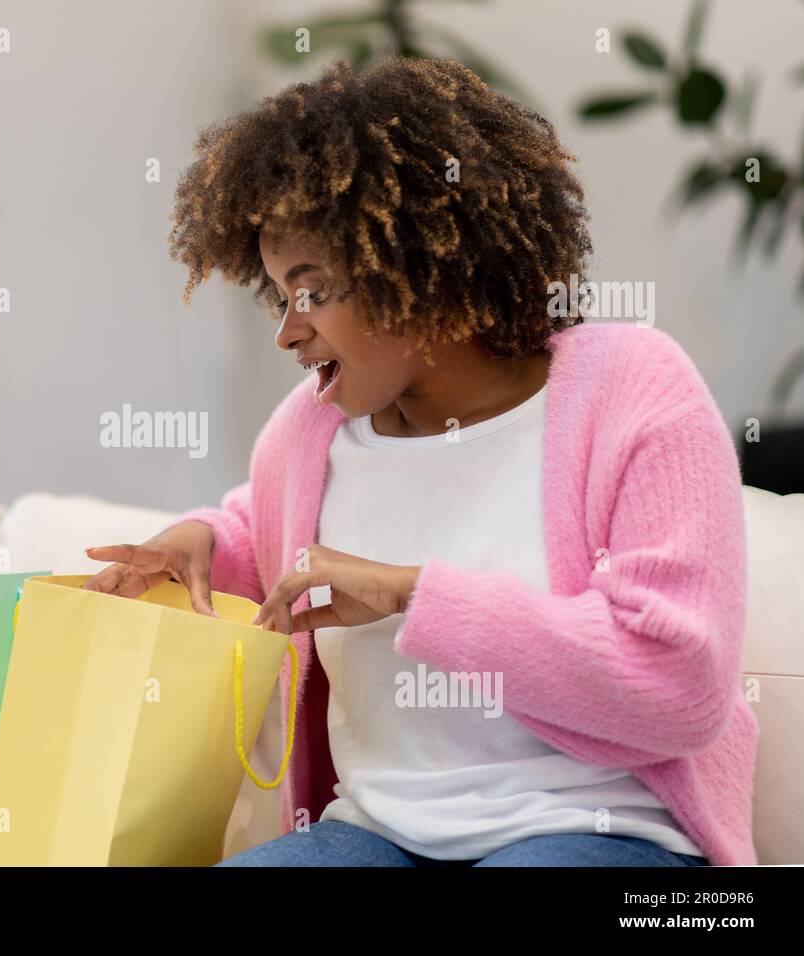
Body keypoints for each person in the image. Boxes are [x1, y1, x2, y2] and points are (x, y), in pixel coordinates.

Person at [82, 57, 756, 867]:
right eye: (277, 294)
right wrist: (199, 545)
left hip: (598, 830)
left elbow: (679, 691)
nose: (287, 332)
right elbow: (260, 531)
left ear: (421, 272)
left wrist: (412, 594)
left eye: (312, 288)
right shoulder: (309, 432)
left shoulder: (632, 391)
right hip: (373, 834)